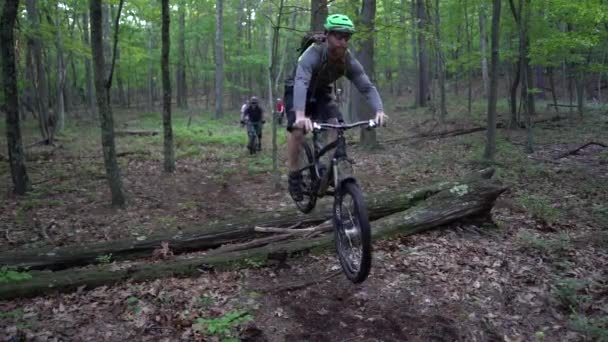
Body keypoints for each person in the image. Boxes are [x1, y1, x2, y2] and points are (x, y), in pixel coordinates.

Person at [284, 14, 387, 201]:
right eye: (338, 36)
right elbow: (301, 81)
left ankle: (328, 165)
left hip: (321, 91)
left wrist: (379, 110)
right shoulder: (313, 53)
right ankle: (294, 175)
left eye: (347, 37)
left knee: (337, 125)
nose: (343, 42)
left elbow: (366, 86)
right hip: (296, 88)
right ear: (327, 35)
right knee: (298, 130)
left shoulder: (347, 60)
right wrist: (300, 114)